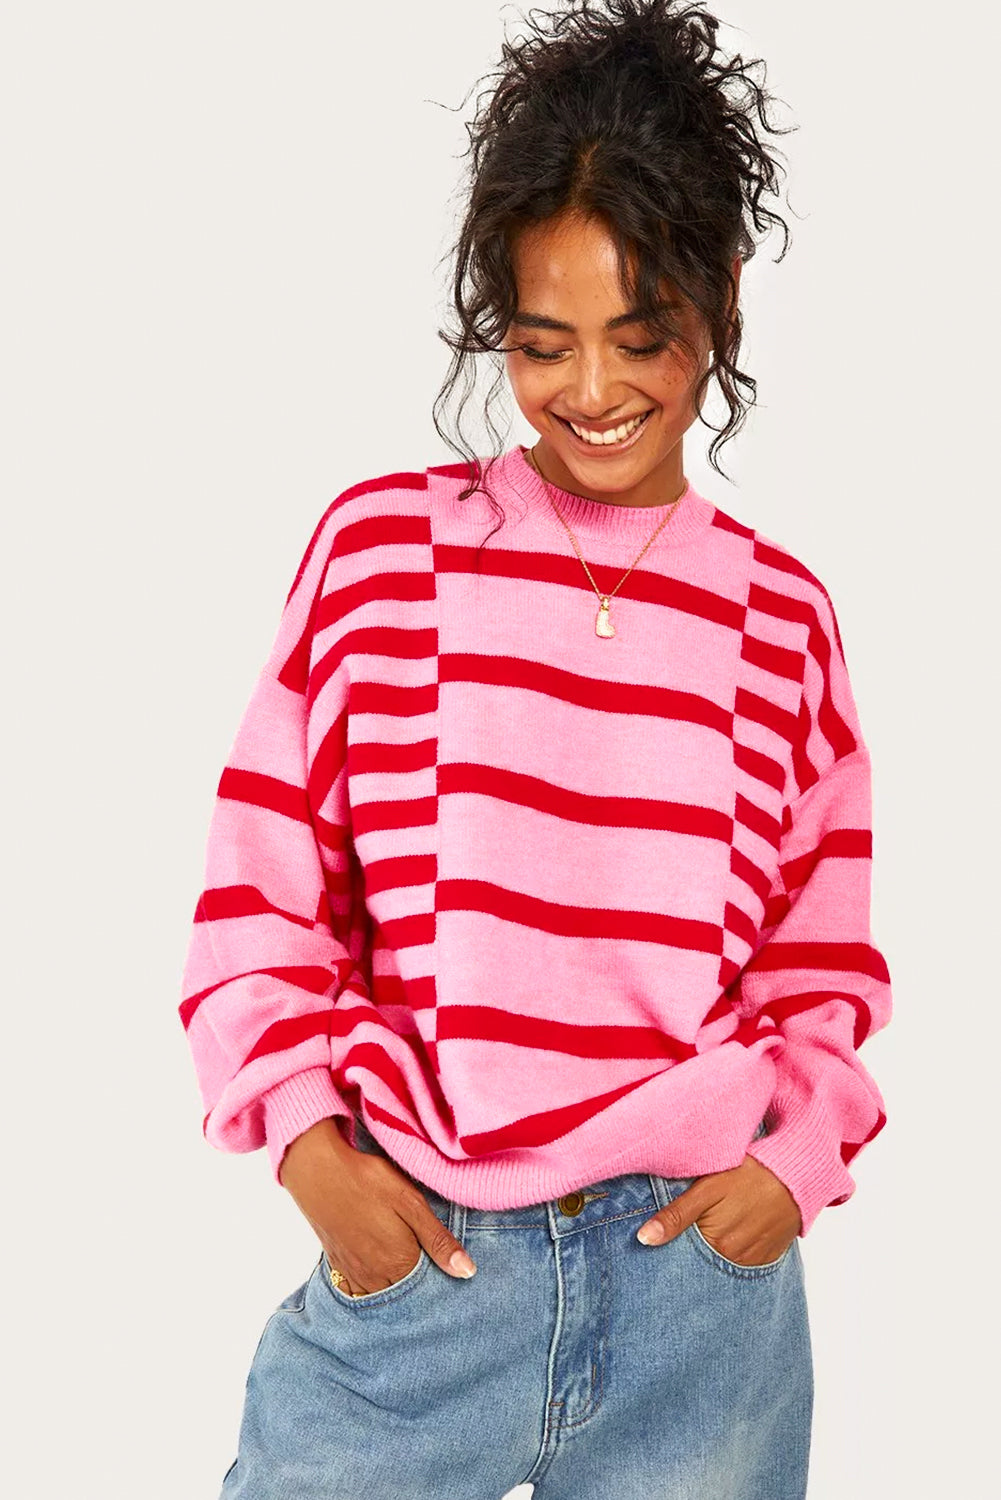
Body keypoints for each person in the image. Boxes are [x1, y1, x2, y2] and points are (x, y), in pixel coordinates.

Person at [178, 2, 892, 1496]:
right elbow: (262, 893)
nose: (592, 392)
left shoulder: (781, 619)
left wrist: (792, 1162)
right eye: (541, 342)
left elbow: (815, 958)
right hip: (420, 1272)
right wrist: (307, 1146)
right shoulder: (383, 555)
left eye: (644, 338)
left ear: (724, 301)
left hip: (697, 1292)